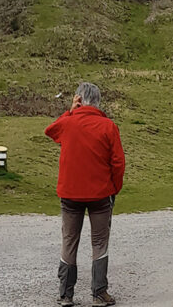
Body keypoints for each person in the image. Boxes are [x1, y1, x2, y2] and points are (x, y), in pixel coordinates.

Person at [45, 82, 125, 307]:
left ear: (79, 99)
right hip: (100, 194)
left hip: (70, 194)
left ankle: (65, 294)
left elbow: (50, 131)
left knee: (69, 241)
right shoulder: (109, 126)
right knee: (100, 242)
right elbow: (118, 163)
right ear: (99, 101)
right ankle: (99, 292)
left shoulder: (68, 123)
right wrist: (114, 187)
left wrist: (70, 111)